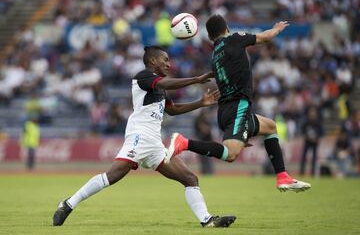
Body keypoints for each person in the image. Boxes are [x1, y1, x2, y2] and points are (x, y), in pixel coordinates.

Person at [52, 46, 236, 228]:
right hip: (139, 136)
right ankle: (68, 204)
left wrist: (200, 103)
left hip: (154, 143)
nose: (169, 64)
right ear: (153, 61)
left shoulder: (159, 88)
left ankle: (207, 220)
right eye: (165, 60)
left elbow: (172, 110)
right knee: (113, 175)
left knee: (190, 179)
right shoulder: (143, 76)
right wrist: (196, 79)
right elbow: (165, 84)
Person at [166, 14, 311, 192]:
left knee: (270, 127)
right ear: (226, 28)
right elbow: (265, 37)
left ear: (211, 37)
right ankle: (183, 143)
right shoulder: (233, 40)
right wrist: (277, 29)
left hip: (229, 108)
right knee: (231, 154)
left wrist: (244, 129)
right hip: (237, 107)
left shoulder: (215, 55)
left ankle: (283, 177)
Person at [299, 106, 323, 176]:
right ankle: (302, 172)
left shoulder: (318, 123)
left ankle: (312, 172)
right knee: (304, 157)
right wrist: (308, 138)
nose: (312, 115)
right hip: (307, 142)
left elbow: (321, 133)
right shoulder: (306, 123)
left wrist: (316, 139)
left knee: (314, 158)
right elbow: (303, 132)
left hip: (315, 143)